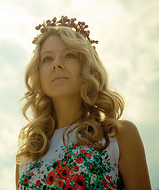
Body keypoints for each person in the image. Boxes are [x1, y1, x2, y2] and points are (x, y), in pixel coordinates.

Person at [15, 16, 151, 189]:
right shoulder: (29, 153)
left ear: (87, 67)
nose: (56, 64)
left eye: (69, 55)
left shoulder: (117, 135)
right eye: (47, 59)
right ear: (39, 73)